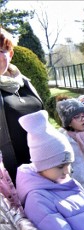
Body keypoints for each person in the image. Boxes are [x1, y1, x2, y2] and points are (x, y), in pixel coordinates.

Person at [0, 27, 45, 183]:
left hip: (44, 168)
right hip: (10, 176)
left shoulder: (25, 82)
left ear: (10, 54)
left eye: (0, 51)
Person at [56, 99, 84, 211]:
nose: (83, 119)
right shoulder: (62, 140)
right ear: (68, 122)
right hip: (76, 187)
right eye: (77, 117)